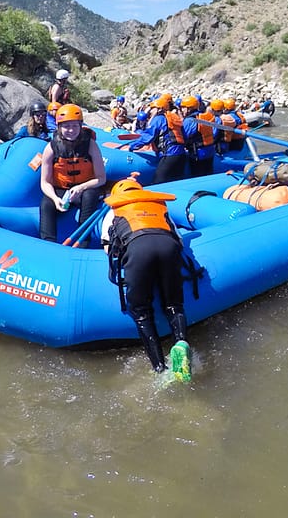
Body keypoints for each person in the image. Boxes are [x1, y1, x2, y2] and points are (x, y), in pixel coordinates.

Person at [100, 177, 191, 381]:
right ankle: (181, 342)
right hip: (168, 247)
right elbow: (179, 240)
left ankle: (160, 367)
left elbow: (109, 248)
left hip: (138, 249)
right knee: (174, 305)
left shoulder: (112, 210)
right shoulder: (159, 205)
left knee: (141, 311)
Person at [39, 104, 106, 246]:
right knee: (46, 204)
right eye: (66, 126)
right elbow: (45, 182)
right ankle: (48, 243)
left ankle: (83, 242)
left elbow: (101, 178)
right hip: (62, 190)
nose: (71, 130)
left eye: (75, 126)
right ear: (59, 127)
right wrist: (55, 199)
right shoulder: (51, 148)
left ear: (81, 126)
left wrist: (81, 188)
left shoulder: (91, 145)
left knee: (89, 196)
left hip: (85, 189)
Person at [183, 96, 216, 177]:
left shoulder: (189, 121)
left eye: (183, 107)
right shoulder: (206, 116)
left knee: (197, 175)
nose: (182, 109)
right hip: (210, 152)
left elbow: (184, 137)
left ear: (189, 108)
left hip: (198, 154)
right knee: (208, 174)